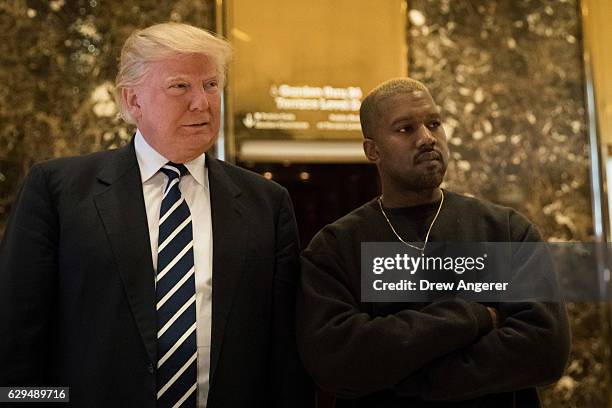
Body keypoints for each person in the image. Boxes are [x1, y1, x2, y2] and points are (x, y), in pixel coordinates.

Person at [0, 22, 313, 407]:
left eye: (211, 85)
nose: (202, 102)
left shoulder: (266, 202)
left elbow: (285, 353)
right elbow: (16, 338)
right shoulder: (59, 191)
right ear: (133, 101)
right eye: (180, 86)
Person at [296, 78, 570, 407]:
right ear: (373, 150)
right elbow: (336, 360)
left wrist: (408, 376)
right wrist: (474, 318)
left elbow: (544, 349)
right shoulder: (336, 248)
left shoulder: (506, 231)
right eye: (405, 129)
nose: (427, 138)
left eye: (434, 123)